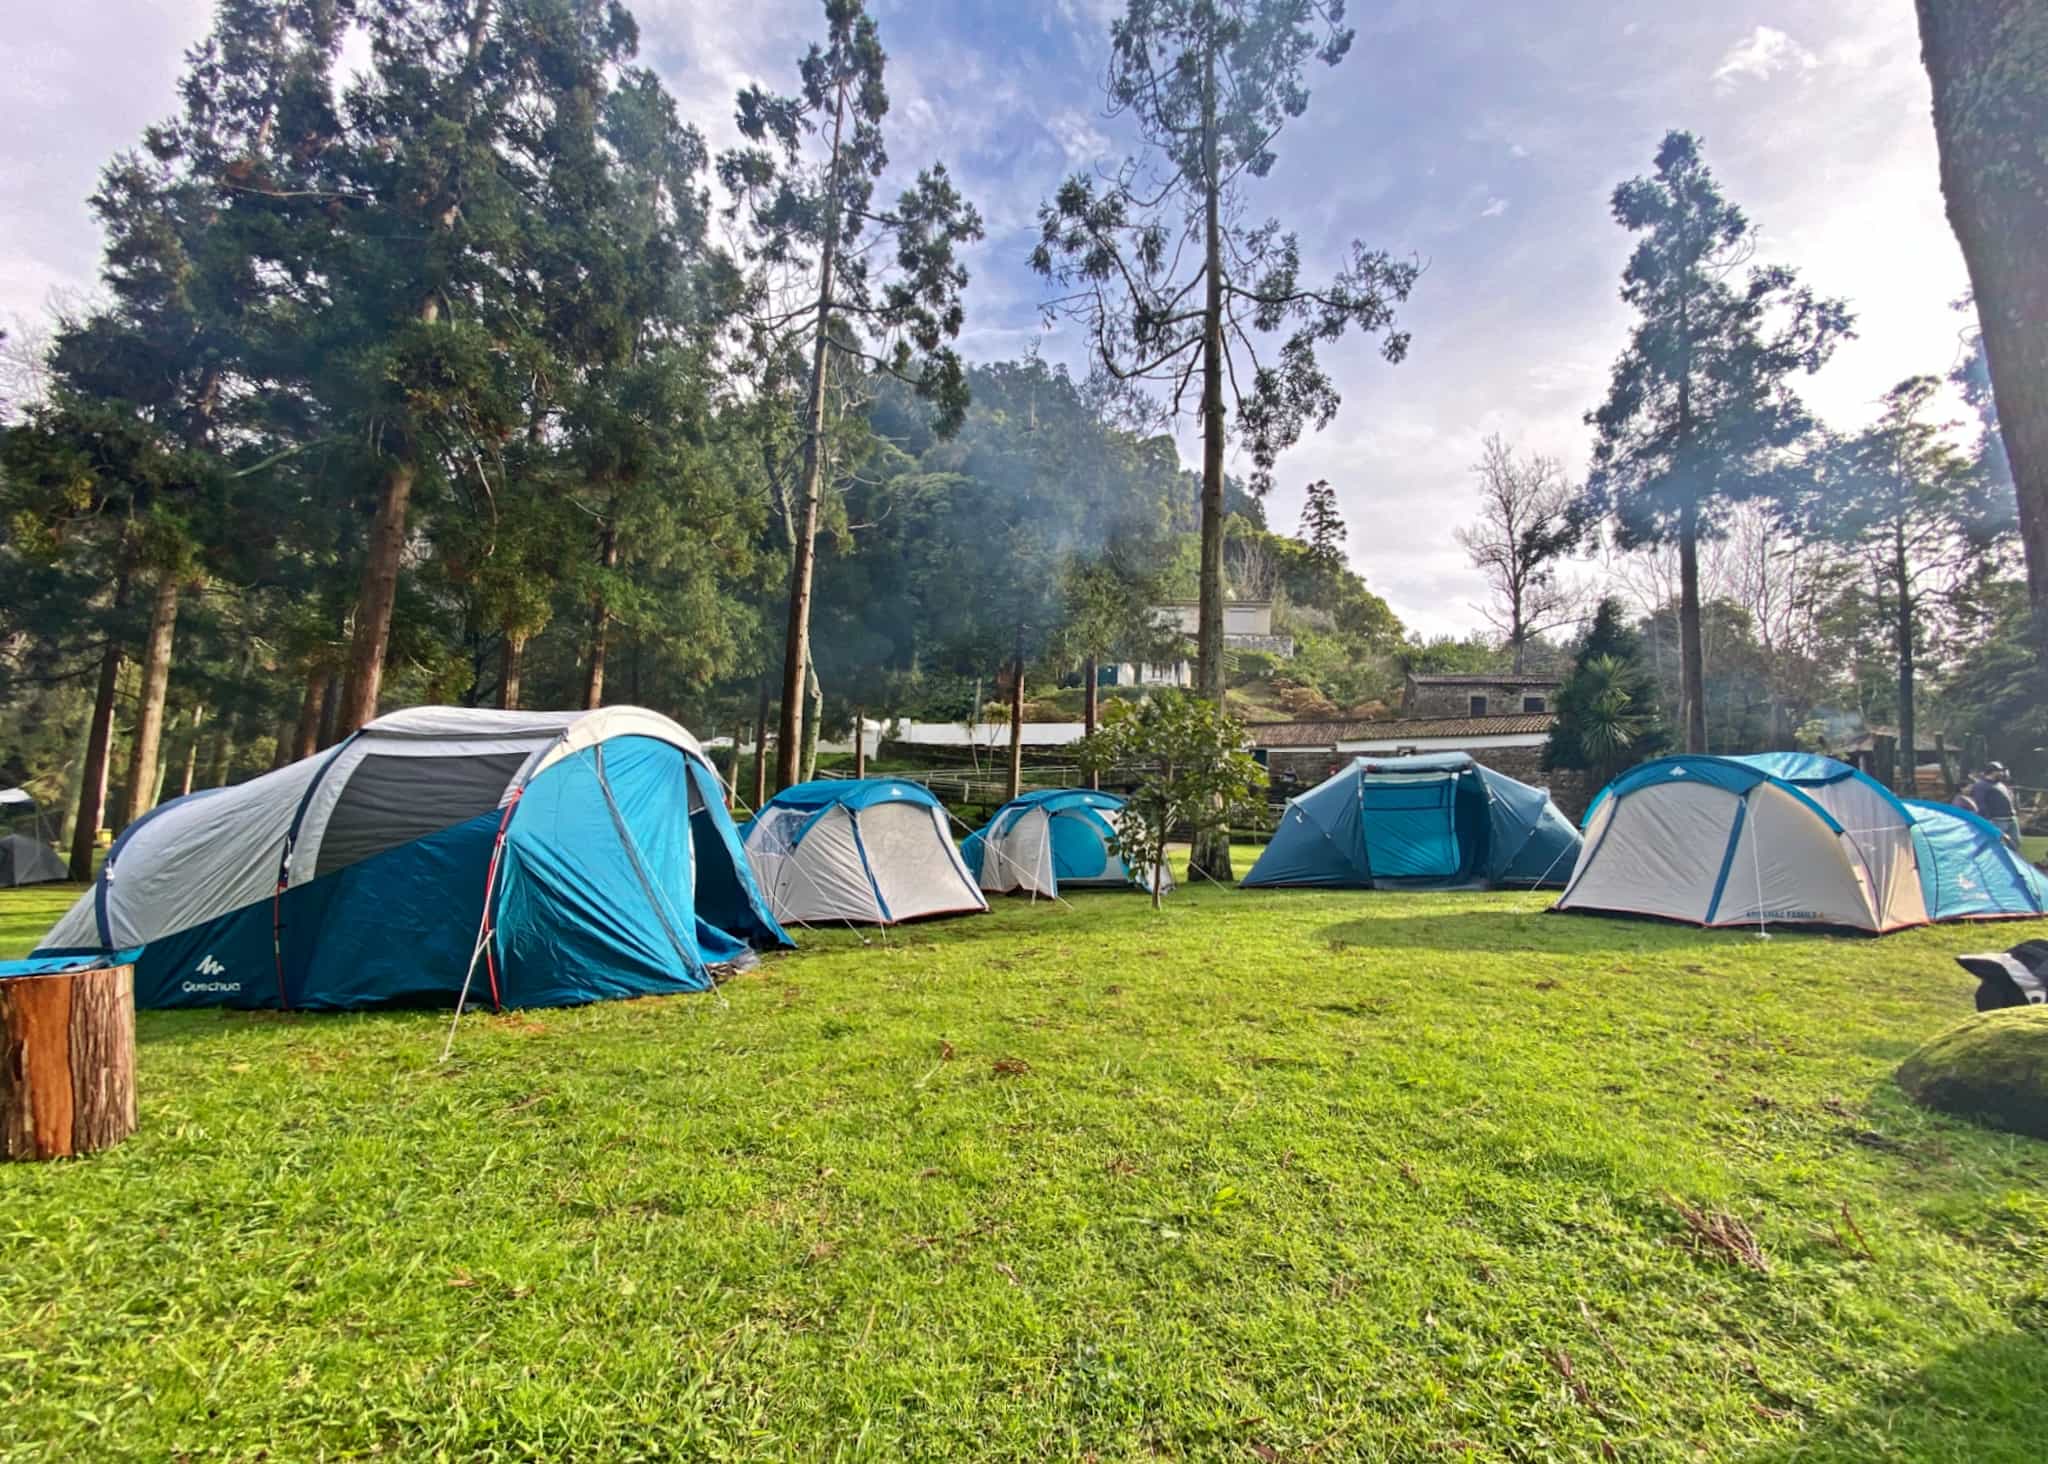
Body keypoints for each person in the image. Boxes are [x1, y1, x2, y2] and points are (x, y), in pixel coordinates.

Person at [1969, 762, 2021, 848]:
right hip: (1997, 820)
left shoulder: (2000, 784)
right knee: (1998, 845)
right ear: (1992, 771)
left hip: (2011, 818)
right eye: (2000, 771)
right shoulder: (1981, 785)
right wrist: (1988, 820)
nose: (2002, 773)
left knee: (2015, 844)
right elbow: (1981, 804)